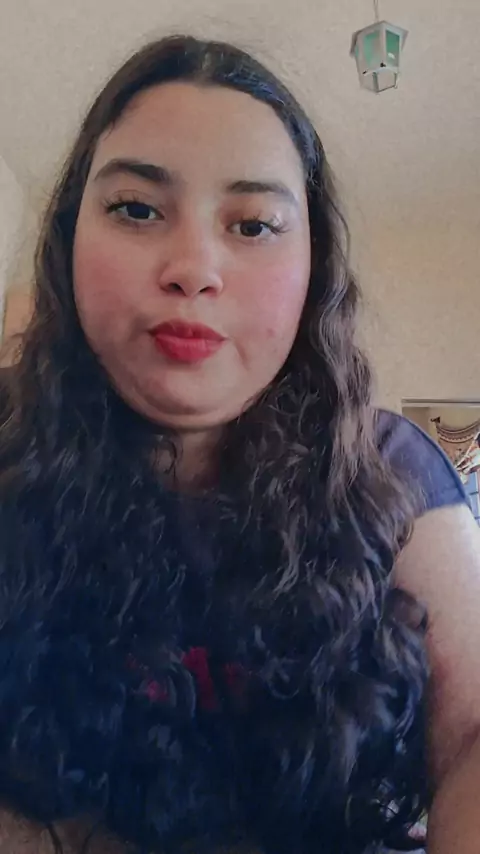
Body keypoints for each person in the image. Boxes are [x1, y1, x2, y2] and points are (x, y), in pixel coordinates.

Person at [0, 34, 479, 854]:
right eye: (137, 209)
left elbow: (471, 735)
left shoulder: (390, 471)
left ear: (313, 267)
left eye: (254, 224)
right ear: (68, 239)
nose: (193, 267)